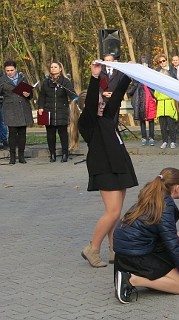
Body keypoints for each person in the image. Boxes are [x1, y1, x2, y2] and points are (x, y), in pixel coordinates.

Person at [78, 60, 136, 267]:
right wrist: (94, 78)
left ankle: (114, 250)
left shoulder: (108, 115)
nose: (102, 105)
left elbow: (118, 94)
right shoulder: (88, 122)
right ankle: (92, 248)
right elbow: (92, 102)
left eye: (103, 102)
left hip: (119, 165)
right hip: (104, 167)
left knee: (116, 213)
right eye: (99, 104)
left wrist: (127, 73)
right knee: (112, 212)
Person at [113, 167, 179, 304]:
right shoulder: (166, 204)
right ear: (177, 187)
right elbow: (172, 244)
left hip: (125, 253)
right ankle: (130, 279)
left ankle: (153, 278)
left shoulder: (152, 194)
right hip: (136, 255)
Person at [37, 61, 78, 163]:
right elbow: (42, 96)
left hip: (62, 111)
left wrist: (78, 100)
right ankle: (52, 154)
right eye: (51, 67)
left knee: (63, 134)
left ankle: (65, 154)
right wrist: (41, 107)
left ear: (60, 69)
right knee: (50, 135)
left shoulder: (65, 81)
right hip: (48, 111)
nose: (53, 69)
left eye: (55, 67)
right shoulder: (46, 82)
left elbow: (72, 94)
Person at [0, 60, 33, 164]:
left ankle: (21, 156)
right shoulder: (2, 80)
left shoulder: (23, 78)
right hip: (10, 109)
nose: (10, 72)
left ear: (16, 69)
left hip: (23, 107)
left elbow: (30, 93)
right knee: (12, 133)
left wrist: (28, 94)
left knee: (22, 133)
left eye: (12, 70)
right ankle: (12, 156)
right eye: (7, 71)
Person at [127, 57, 157, 147]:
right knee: (142, 119)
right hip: (139, 100)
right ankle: (144, 137)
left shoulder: (151, 74)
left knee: (151, 119)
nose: (144, 65)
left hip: (150, 99)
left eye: (146, 63)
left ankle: (151, 137)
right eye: (143, 63)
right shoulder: (136, 75)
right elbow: (131, 88)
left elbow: (154, 87)